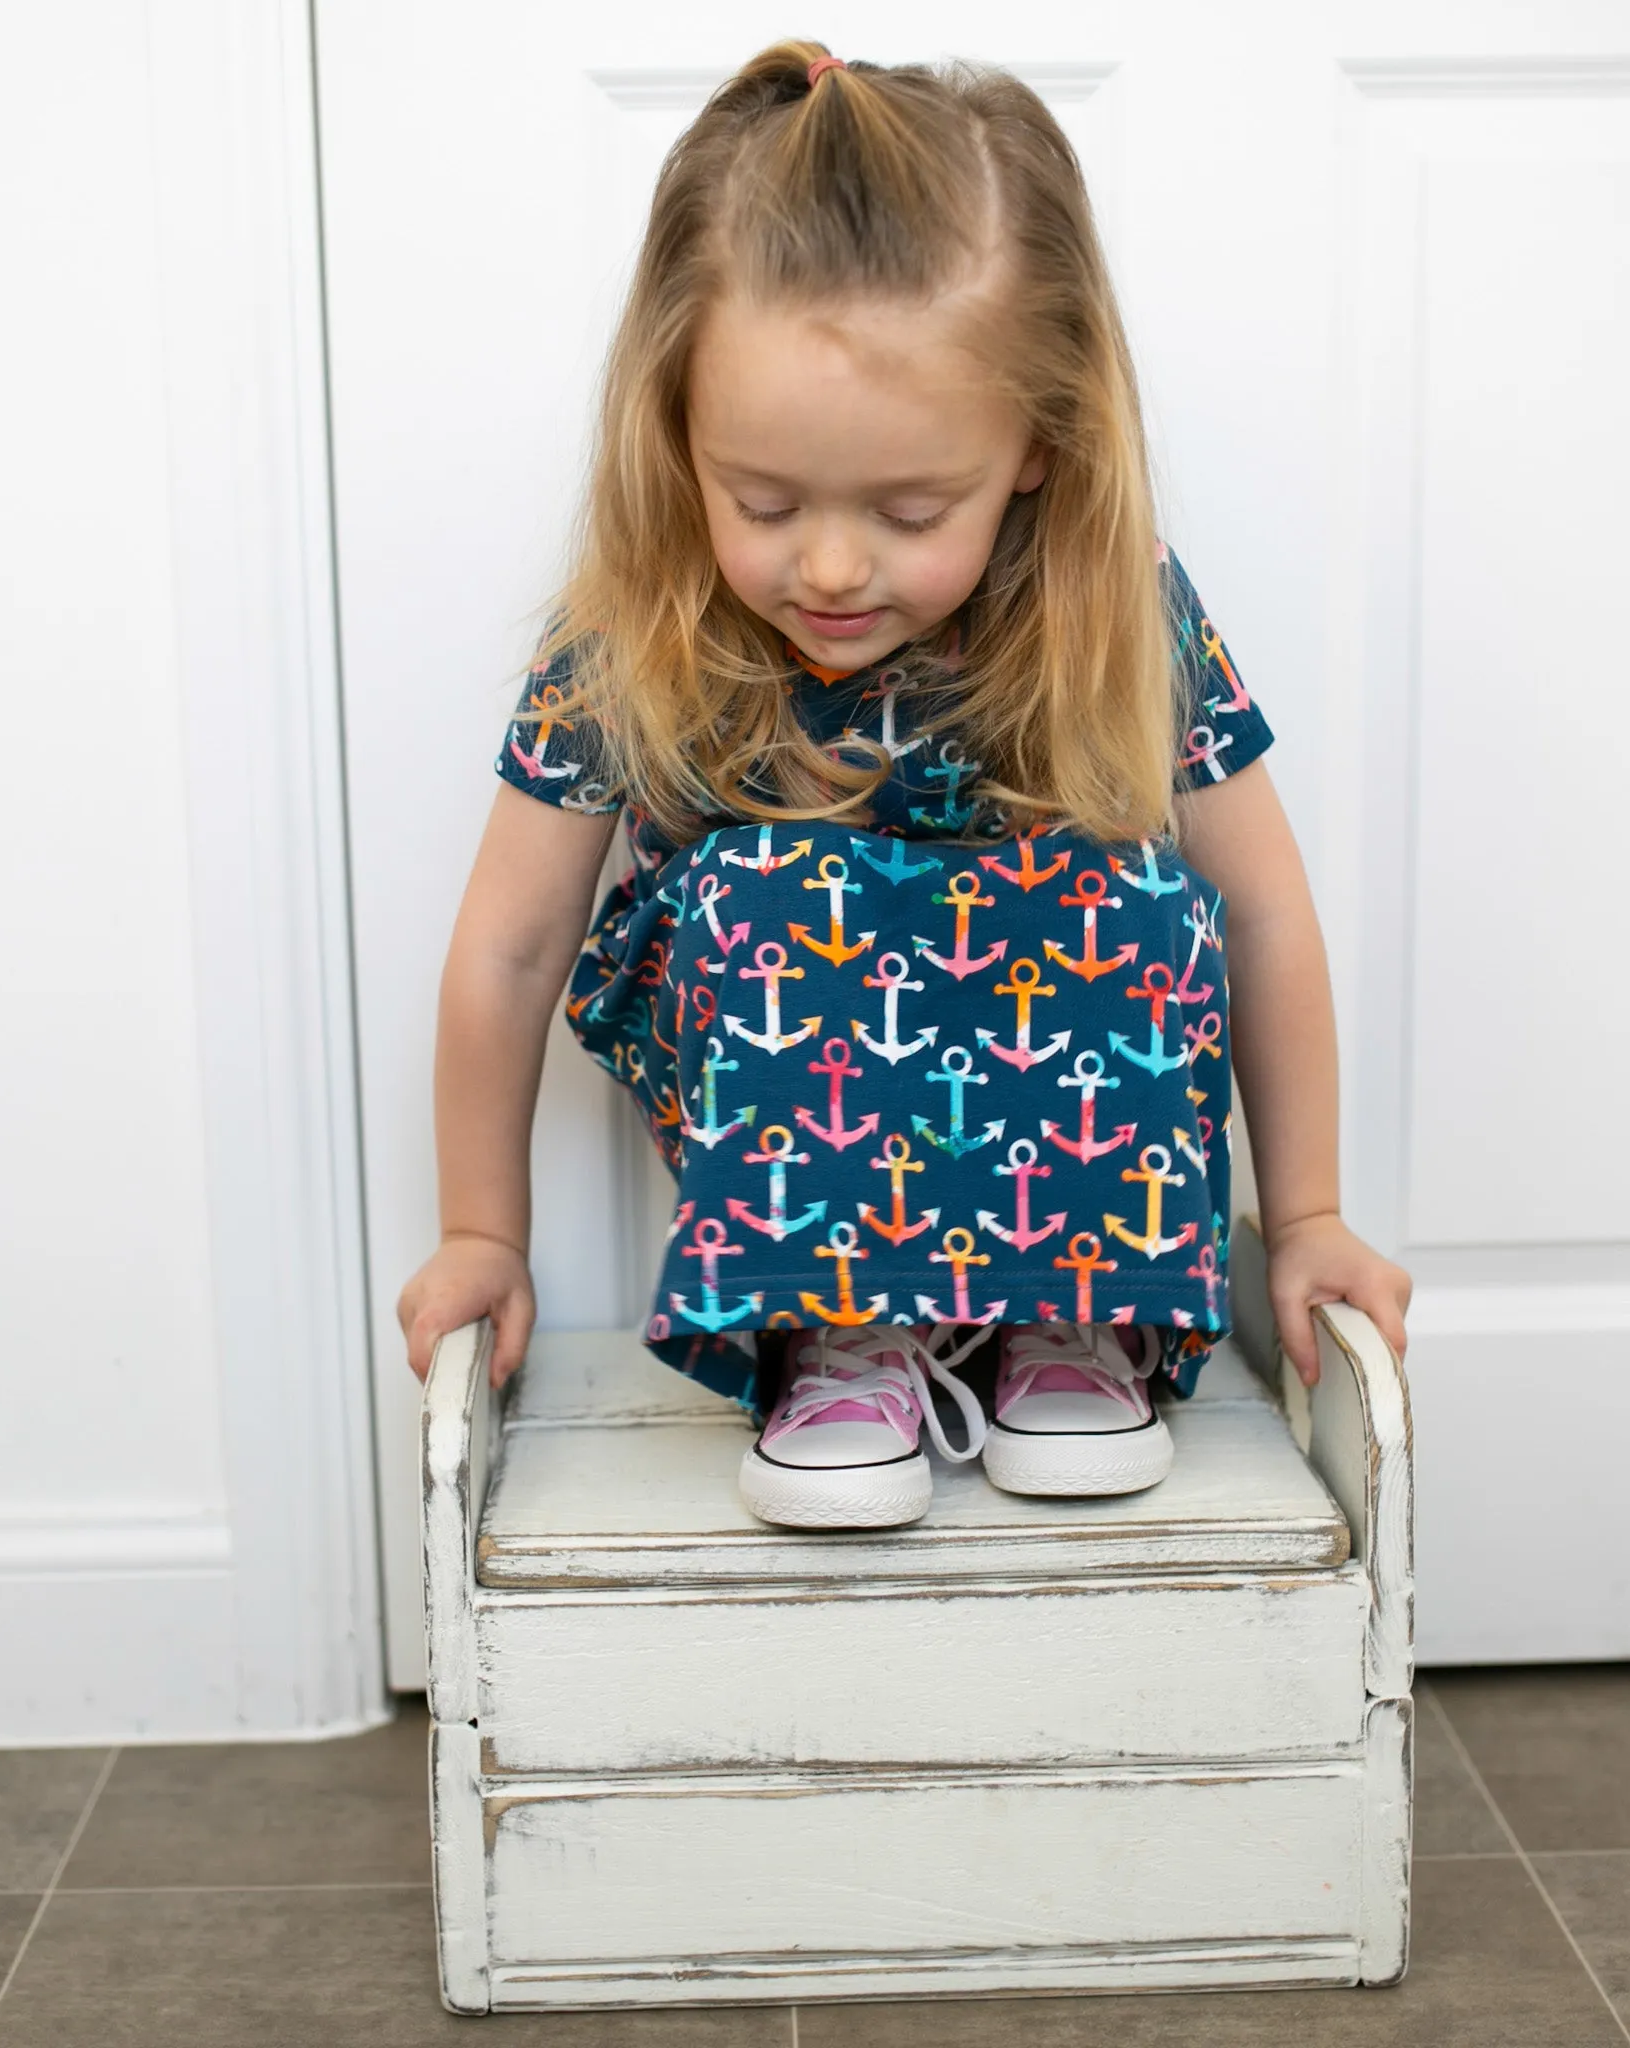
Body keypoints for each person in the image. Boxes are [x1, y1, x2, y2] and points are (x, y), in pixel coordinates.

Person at [397, 42, 1410, 1530]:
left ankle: (1077, 1307)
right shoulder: (634, 627)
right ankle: (839, 1332)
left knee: (1134, 895)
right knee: (761, 893)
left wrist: (1306, 1213)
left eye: (908, 509)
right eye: (762, 500)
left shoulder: (1112, 604)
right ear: (680, 428)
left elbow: (1258, 909)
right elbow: (512, 938)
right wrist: (483, 1229)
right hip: (779, 1025)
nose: (827, 564)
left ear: (1040, 447)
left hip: (1059, 1090)